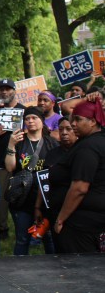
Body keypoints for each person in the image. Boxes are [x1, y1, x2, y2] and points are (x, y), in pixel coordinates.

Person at [49, 99, 105, 253]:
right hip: (87, 220)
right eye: (73, 119)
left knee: (78, 271)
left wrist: (61, 219)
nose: (73, 124)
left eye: (78, 120)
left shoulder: (89, 147)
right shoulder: (93, 142)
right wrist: (88, 99)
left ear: (93, 121)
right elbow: (66, 106)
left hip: (79, 224)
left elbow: (79, 188)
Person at [5, 106, 58, 255]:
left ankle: (56, 268)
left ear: (42, 121)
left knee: (48, 237)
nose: (30, 121)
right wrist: (11, 145)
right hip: (22, 199)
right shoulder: (19, 142)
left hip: (45, 198)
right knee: (22, 239)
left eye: (34, 118)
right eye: (27, 119)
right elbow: (10, 168)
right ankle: (19, 272)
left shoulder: (51, 143)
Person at [0, 78, 26, 240]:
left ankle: (27, 229)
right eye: (2, 89)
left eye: (8, 89)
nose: (4, 92)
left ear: (14, 91)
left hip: (21, 162)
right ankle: (2, 229)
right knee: (2, 199)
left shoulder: (25, 112)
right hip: (1, 163)